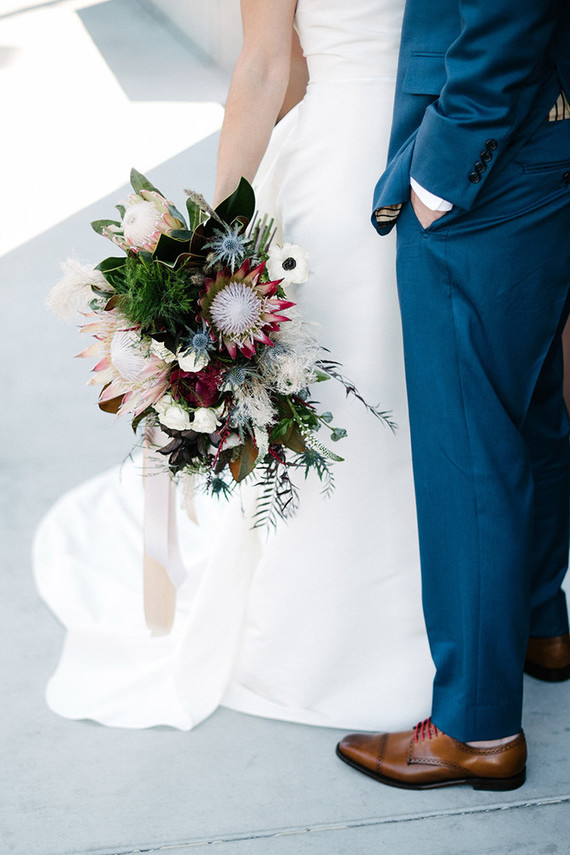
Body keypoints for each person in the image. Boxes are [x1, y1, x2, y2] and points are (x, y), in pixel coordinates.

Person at [34, 0, 436, 731]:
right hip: (386, 156)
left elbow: (267, 66)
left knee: (406, 397)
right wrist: (207, 252)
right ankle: (377, 632)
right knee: (355, 394)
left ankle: (423, 626)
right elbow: (266, 65)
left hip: (402, 151)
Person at [337, 0, 570, 790]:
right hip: (542, 137)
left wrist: (442, 167)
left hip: (494, 159)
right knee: (528, 403)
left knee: (467, 446)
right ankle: (541, 622)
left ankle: (476, 726)